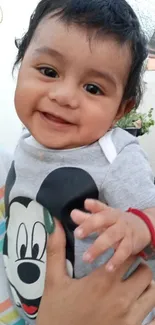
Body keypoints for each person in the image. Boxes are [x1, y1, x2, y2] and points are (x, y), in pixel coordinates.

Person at [2, 0, 155, 324]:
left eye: (92, 88)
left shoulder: (115, 156)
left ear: (121, 110)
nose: (64, 96)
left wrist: (140, 224)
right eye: (48, 71)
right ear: (20, 62)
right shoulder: (29, 141)